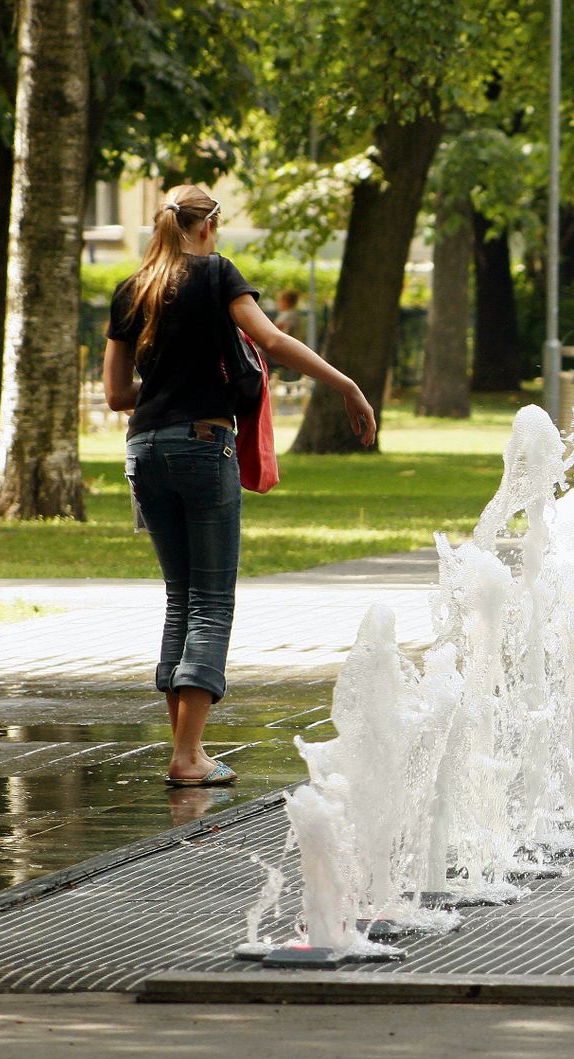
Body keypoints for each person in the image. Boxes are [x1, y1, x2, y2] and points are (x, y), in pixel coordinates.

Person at [102, 185, 377, 787]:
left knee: (181, 598)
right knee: (211, 601)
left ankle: (187, 751)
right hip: (203, 444)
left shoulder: (131, 289)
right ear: (209, 227)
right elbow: (272, 342)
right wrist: (348, 386)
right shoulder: (217, 274)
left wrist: (167, 386)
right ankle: (187, 756)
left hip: (143, 451)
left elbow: (117, 395)